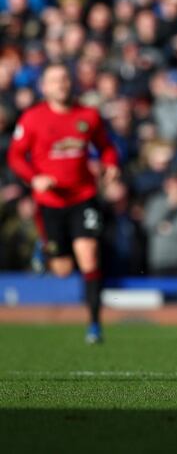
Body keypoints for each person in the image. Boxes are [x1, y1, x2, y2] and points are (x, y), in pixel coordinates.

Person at [7, 63, 119, 344]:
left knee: (89, 255)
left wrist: (110, 164)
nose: (62, 84)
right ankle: (44, 248)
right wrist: (34, 179)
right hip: (51, 201)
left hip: (83, 196)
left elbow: (106, 146)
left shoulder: (88, 115)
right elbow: (16, 156)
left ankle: (94, 325)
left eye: (65, 79)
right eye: (55, 80)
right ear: (44, 87)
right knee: (63, 269)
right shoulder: (33, 119)